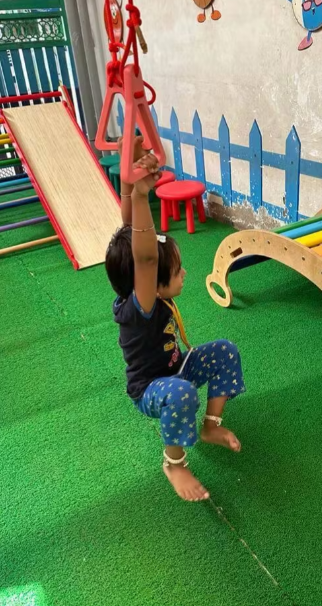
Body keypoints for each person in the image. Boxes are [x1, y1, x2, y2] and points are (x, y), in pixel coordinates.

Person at [105, 137, 245, 501]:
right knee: (181, 393)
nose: (183, 274)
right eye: (177, 270)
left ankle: (210, 426)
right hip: (152, 388)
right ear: (150, 282)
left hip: (176, 366)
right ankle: (174, 463)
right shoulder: (141, 306)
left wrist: (130, 171)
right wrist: (141, 196)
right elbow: (145, 257)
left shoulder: (146, 290)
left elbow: (130, 230)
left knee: (225, 350)